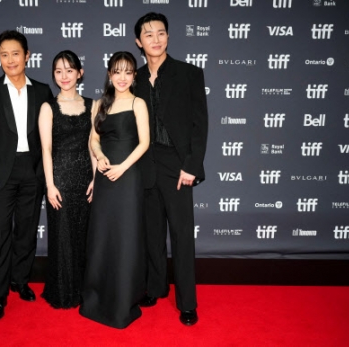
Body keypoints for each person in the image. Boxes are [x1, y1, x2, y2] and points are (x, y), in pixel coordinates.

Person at [0, 30, 53, 322]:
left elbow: (51, 137)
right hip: (0, 175)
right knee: (1, 235)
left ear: (27, 55)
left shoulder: (42, 90)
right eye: (3, 54)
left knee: (26, 232)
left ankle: (20, 280)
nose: (10, 59)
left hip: (32, 173)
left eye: (15, 53)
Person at [133, 12, 209, 326]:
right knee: (151, 233)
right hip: (144, 164)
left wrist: (191, 165)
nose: (155, 39)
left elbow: (199, 124)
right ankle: (154, 287)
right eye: (148, 34)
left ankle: (187, 303)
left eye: (160, 32)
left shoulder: (189, 73)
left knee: (180, 235)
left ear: (168, 36)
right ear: (138, 42)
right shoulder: (131, 78)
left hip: (177, 165)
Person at [80, 51, 150, 329]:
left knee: (126, 237)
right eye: (117, 71)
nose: (122, 77)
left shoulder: (138, 103)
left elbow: (144, 143)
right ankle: (97, 299)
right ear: (109, 74)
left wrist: (122, 167)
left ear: (134, 76)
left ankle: (123, 301)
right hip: (105, 177)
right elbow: (93, 140)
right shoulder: (99, 104)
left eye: (128, 72)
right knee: (102, 237)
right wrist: (99, 160)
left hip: (128, 177)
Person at [38, 50, 96, 309]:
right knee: (62, 238)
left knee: (84, 237)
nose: (64, 76)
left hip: (85, 180)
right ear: (53, 74)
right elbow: (46, 149)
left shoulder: (92, 105)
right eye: (59, 71)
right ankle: (62, 292)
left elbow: (94, 145)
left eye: (69, 70)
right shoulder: (48, 107)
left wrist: (96, 179)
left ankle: (84, 291)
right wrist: (50, 185)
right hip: (59, 180)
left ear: (79, 73)